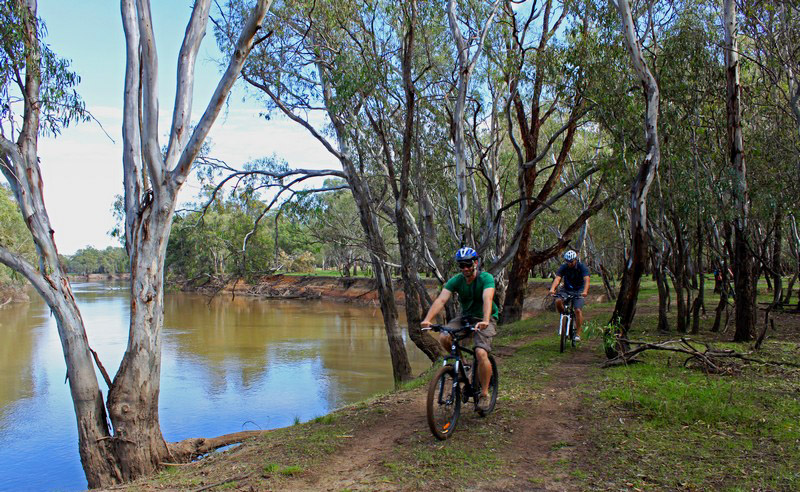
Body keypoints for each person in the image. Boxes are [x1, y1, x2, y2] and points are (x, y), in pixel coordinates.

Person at [421, 247, 498, 411]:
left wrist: (485, 320)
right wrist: (428, 319)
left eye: (468, 264)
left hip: (486, 318)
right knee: (444, 336)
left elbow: (487, 298)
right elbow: (441, 300)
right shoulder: (456, 280)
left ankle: (484, 394)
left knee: (480, 352)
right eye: (461, 265)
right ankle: (464, 365)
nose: (465, 269)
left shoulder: (486, 278)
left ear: (475, 263)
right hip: (466, 317)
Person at [549, 250, 590, 342]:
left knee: (578, 310)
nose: (569, 263)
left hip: (579, 290)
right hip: (566, 289)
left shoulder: (581, 267)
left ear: (575, 260)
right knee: (558, 301)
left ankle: (578, 334)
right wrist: (552, 289)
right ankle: (564, 316)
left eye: (571, 261)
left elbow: (587, 280)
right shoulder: (564, 267)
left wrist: (585, 291)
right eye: (567, 261)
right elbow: (557, 279)